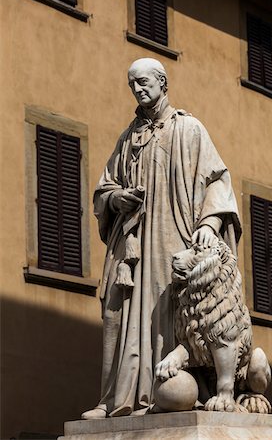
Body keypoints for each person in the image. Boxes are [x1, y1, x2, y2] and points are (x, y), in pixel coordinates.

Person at [82, 58, 241, 419]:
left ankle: (161, 395)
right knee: (119, 313)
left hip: (174, 237)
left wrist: (211, 223)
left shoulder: (189, 129)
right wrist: (115, 198)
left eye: (143, 82)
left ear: (162, 83)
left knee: (166, 311)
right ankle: (115, 401)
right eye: (132, 84)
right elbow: (103, 188)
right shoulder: (127, 138)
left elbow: (218, 180)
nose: (137, 89)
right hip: (131, 243)